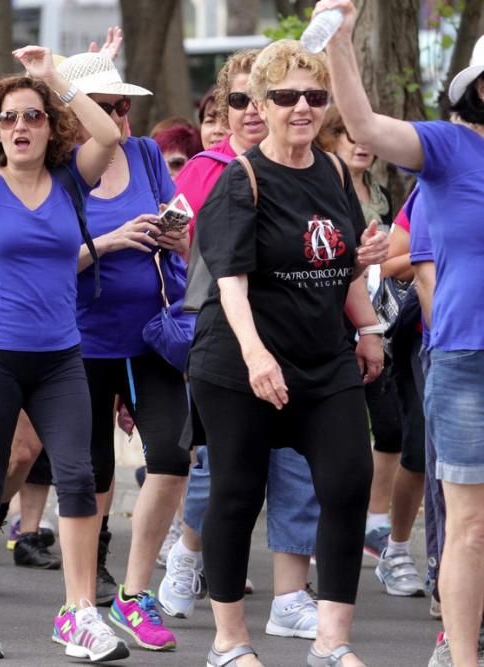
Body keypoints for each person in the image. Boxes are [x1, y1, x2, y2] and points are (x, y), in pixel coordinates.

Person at [0, 43, 129, 662]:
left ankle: (80, 613)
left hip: (60, 355)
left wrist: (53, 79)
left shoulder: (72, 179)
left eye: (32, 116)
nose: (20, 127)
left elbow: (107, 135)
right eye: (8, 117)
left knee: (78, 474)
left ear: (49, 127)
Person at [190, 39, 387, 667]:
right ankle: (229, 639)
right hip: (240, 362)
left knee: (349, 480)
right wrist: (256, 358)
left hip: (324, 359)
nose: (301, 107)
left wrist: (369, 326)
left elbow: (343, 259)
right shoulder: (241, 179)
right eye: (286, 96)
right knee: (238, 493)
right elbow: (230, 283)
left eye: (314, 96)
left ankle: (331, 643)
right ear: (262, 105)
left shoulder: (332, 171)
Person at [320, 2, 484, 662]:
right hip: (468, 357)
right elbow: (361, 124)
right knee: (470, 525)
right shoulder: (449, 148)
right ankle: (463, 653)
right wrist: (340, 40)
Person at [161, 50, 324, 640]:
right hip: (226, 342)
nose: (253, 112)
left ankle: (289, 595)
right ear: (224, 109)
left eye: (265, 99)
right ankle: (187, 552)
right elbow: (171, 236)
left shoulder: (310, 165)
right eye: (240, 100)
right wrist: (182, 252)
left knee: (297, 466)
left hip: (298, 339)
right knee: (220, 471)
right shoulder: (208, 169)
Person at [48, 49, 191, 653]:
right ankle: (78, 600)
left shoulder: (146, 154)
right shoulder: (58, 171)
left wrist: (175, 233)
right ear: (75, 116)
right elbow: (47, 258)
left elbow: (180, 228)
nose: (120, 117)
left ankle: (135, 595)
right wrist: (106, 242)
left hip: (150, 334)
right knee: (88, 473)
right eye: (106, 107)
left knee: (172, 456)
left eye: (122, 105)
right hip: (78, 338)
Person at [318, 105, 427, 599]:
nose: (360, 144)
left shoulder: (382, 193)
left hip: (377, 322)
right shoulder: (320, 184)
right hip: (327, 324)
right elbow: (392, 259)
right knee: (334, 442)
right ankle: (319, 536)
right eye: (346, 135)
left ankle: (380, 529)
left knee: (392, 432)